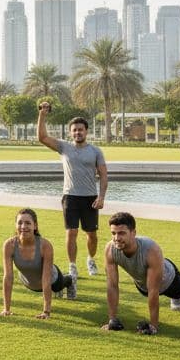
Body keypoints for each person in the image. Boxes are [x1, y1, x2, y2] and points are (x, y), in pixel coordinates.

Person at [99, 212, 180, 335]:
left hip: (168, 279)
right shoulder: (110, 249)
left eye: (122, 233)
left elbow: (154, 290)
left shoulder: (150, 249)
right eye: (113, 233)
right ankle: (177, 298)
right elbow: (112, 285)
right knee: (148, 291)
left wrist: (153, 326)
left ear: (133, 233)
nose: (117, 238)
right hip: (142, 284)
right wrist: (112, 320)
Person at [36, 103, 107, 279]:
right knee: (71, 232)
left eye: (80, 130)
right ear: (70, 132)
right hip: (70, 197)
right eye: (74, 130)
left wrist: (102, 197)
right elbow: (42, 137)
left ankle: (91, 259)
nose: (77, 133)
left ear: (86, 131)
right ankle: (72, 265)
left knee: (91, 234)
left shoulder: (95, 151)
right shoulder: (64, 147)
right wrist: (42, 115)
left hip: (90, 198)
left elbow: (104, 176)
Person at [0, 208, 76, 319]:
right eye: (20, 223)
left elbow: (46, 279)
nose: (23, 227)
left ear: (35, 226)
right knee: (48, 287)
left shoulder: (45, 245)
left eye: (28, 223)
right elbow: (8, 277)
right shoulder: (9, 245)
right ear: (15, 225)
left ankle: (70, 280)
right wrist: (6, 309)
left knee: (58, 286)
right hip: (28, 282)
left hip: (52, 278)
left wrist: (46, 312)